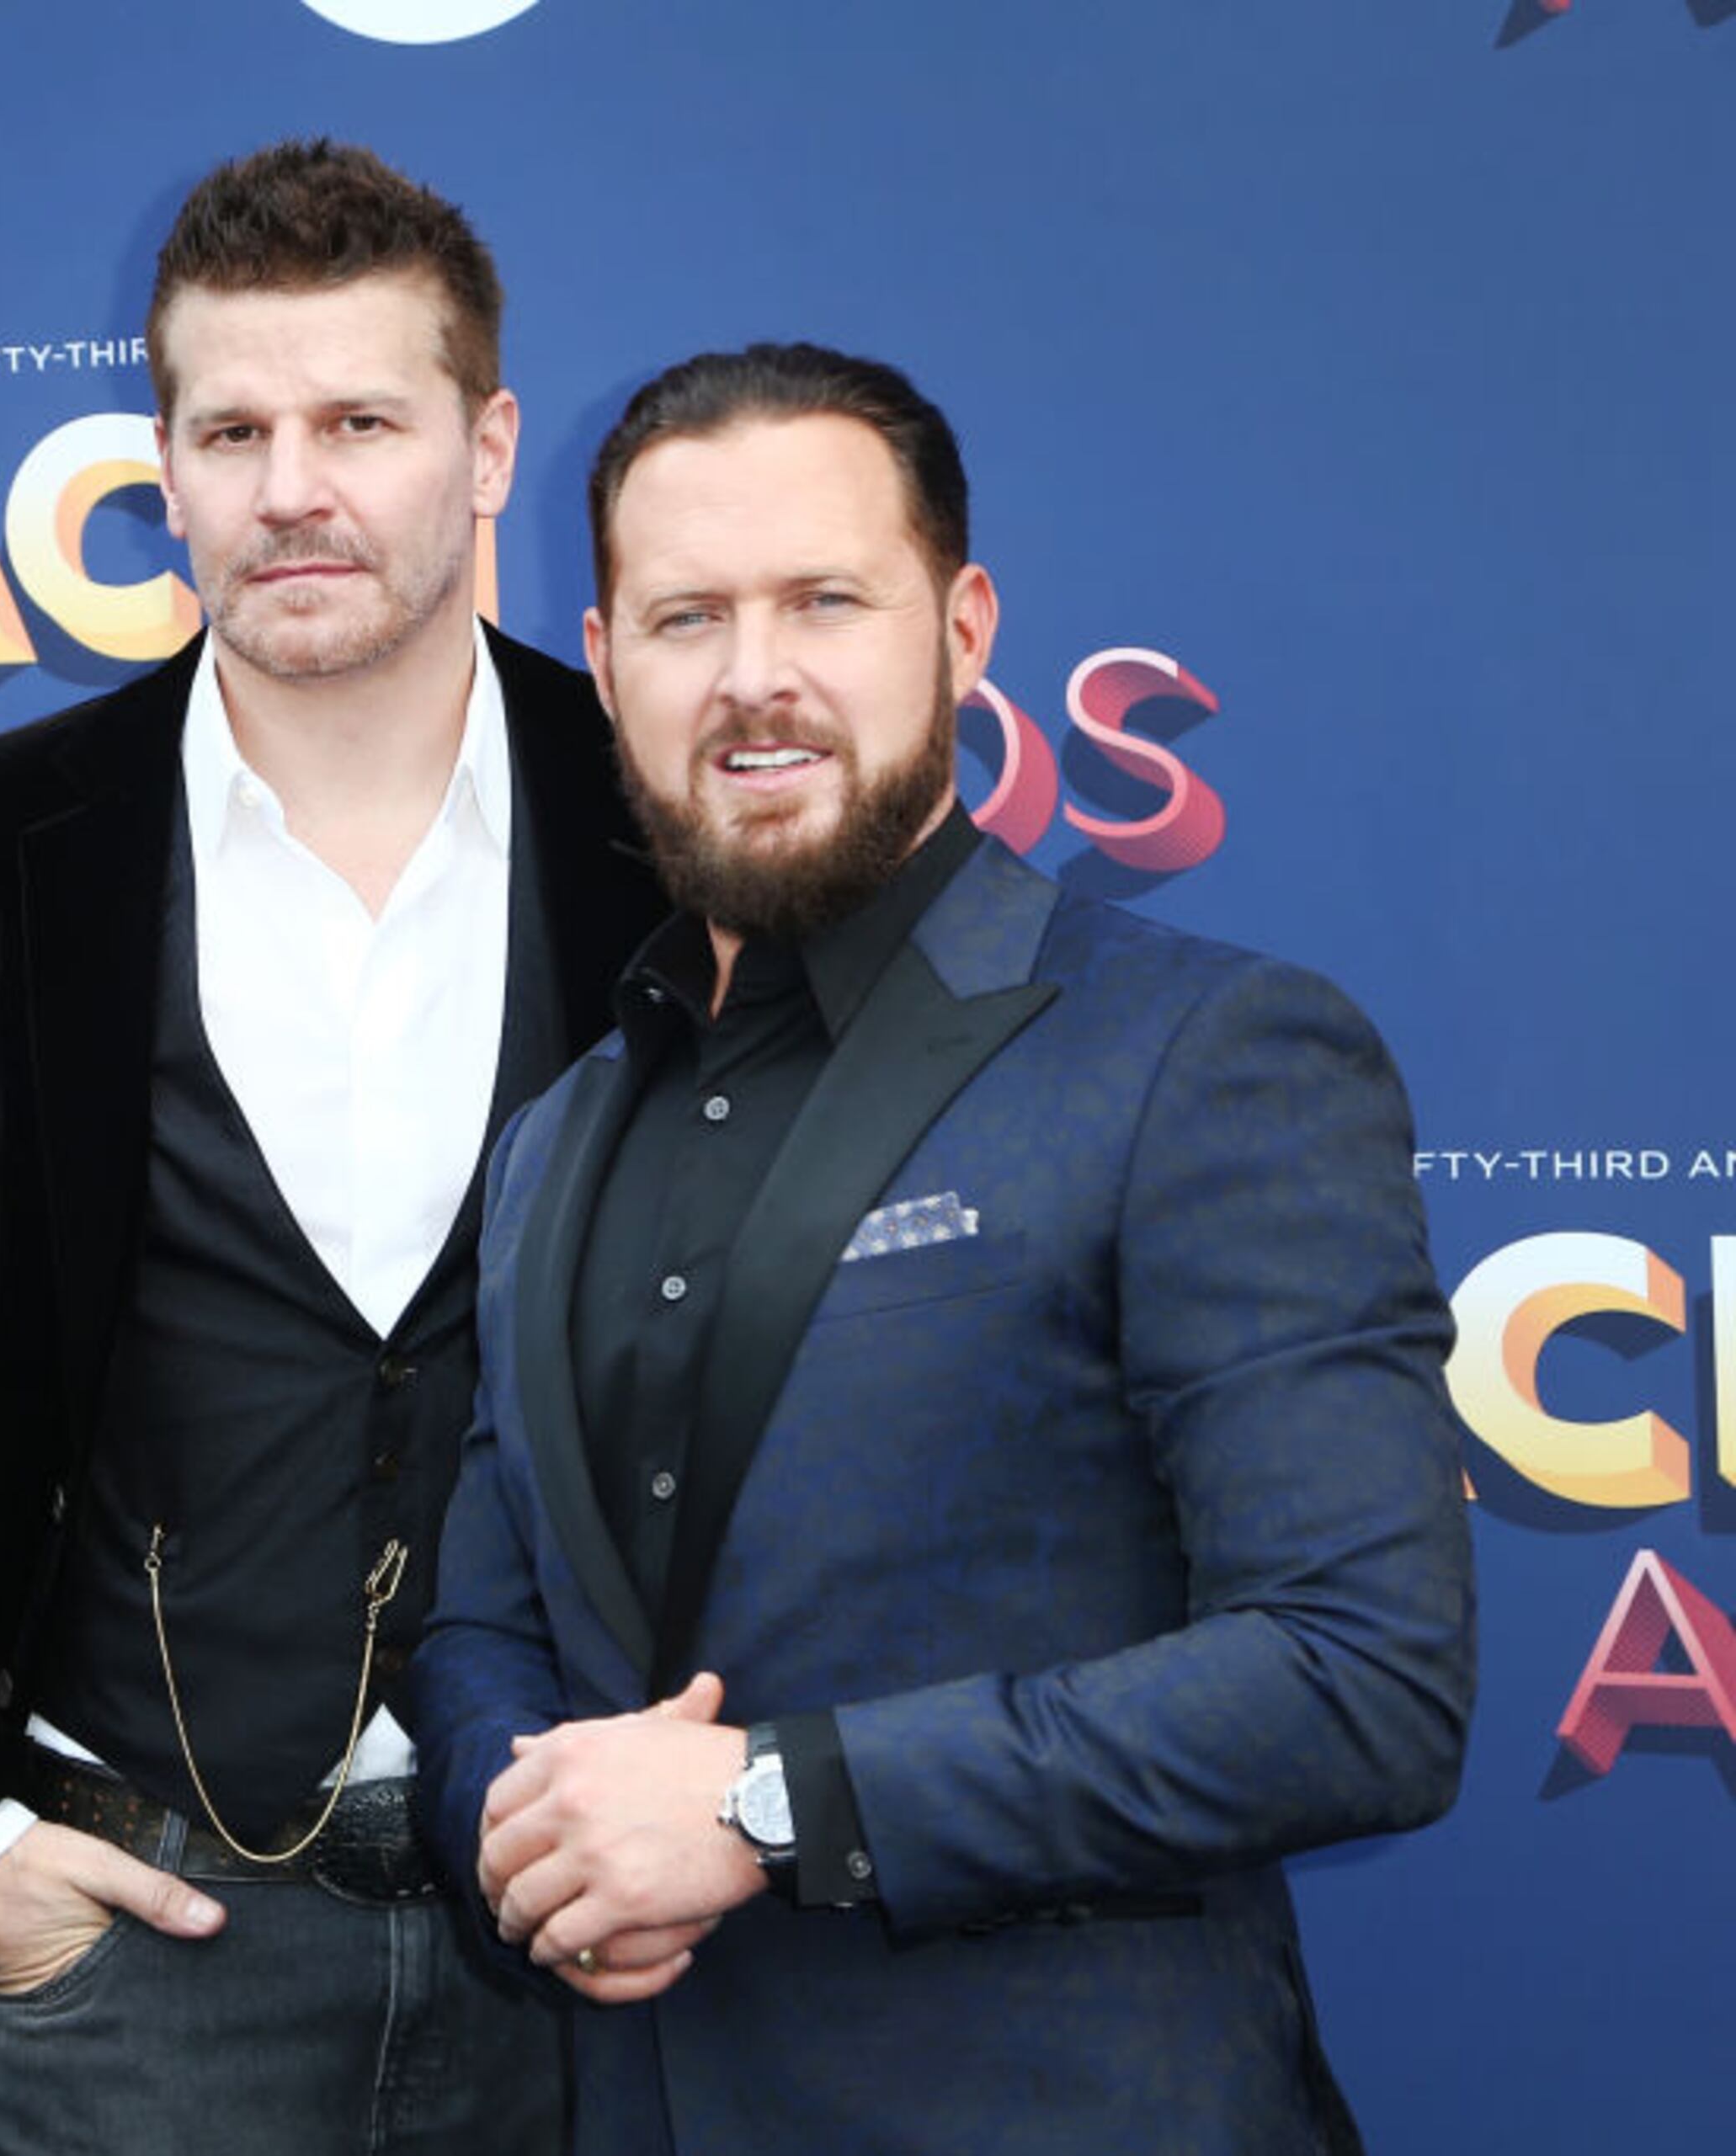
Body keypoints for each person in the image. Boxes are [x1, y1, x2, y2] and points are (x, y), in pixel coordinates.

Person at [412, 341, 1477, 2154]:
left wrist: (763, 1807)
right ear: (600, 662)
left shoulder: (1202, 1058)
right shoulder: (556, 1135)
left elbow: (1357, 1677)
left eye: (825, 601)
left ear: (964, 627)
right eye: (685, 619)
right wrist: (534, 1845)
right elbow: (482, 1621)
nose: (756, 680)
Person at [0, 140, 661, 2151]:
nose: (291, 487)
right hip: (129, 1962)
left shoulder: (659, 825)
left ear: (487, 448)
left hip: (596, 1961)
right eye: (230, 427)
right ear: (162, 462)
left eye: (359, 420)